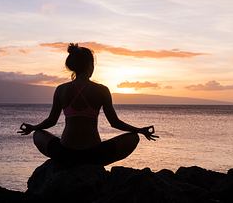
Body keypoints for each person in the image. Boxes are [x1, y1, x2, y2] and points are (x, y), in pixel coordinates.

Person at [18, 43, 158, 166]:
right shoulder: (102, 90)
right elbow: (114, 122)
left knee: (38, 134)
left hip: (65, 154)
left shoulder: (61, 89)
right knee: (133, 137)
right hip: (94, 155)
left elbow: (51, 121)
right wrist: (140, 130)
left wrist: (33, 127)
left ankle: (64, 164)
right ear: (90, 66)